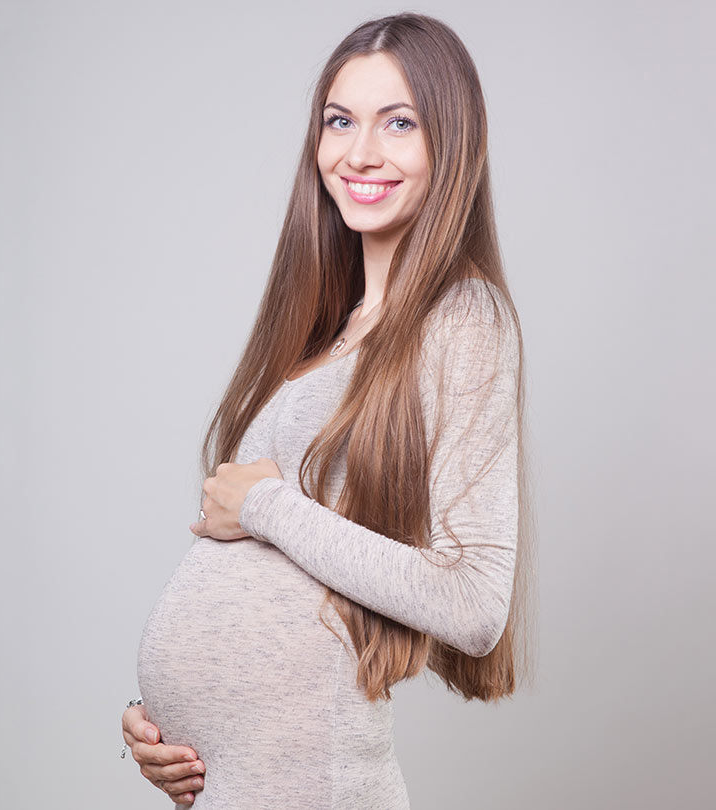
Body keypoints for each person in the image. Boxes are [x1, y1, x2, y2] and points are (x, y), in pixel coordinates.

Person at [121, 11, 537, 808]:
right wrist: (159, 727)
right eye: (340, 121)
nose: (360, 153)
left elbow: (474, 602)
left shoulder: (464, 318)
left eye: (400, 123)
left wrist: (266, 505)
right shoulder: (331, 329)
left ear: (452, 145)